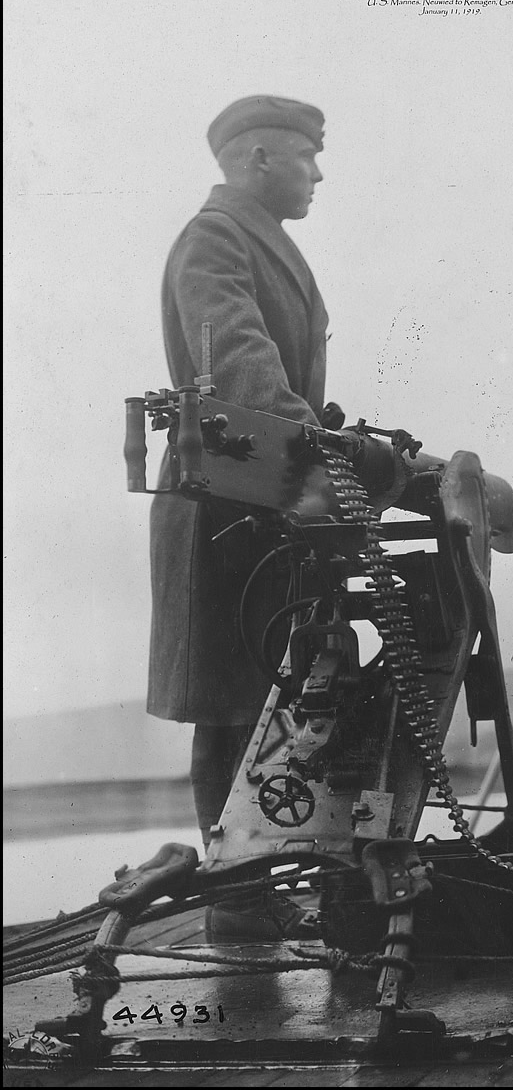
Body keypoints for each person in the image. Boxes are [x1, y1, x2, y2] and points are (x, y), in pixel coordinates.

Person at [147, 95, 334, 941]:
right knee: (229, 697)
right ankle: (234, 892)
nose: (319, 173)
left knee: (257, 695)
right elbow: (240, 365)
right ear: (259, 159)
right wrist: (317, 442)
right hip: (221, 497)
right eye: (308, 157)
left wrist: (322, 440)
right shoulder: (216, 239)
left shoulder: (266, 242)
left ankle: (245, 879)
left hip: (262, 495)